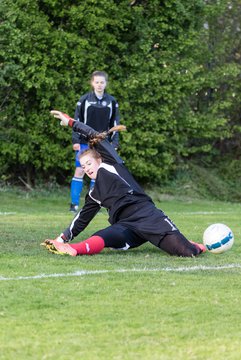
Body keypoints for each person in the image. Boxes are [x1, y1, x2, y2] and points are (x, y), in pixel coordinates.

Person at [41, 110, 206, 258]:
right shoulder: (94, 193)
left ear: (99, 159)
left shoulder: (112, 163)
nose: (86, 169)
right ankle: (73, 249)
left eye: (89, 164)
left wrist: (70, 122)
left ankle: (195, 245)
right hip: (126, 226)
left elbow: (92, 134)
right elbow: (82, 219)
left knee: (187, 252)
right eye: (83, 167)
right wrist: (61, 239)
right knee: (104, 235)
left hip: (147, 215)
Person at [70, 70, 120, 212]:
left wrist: (114, 143)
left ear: (106, 84)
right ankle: (74, 204)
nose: (99, 85)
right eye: (97, 82)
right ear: (92, 83)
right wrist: (76, 140)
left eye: (102, 82)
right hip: (85, 142)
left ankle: (95, 204)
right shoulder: (84, 100)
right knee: (80, 171)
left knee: (98, 173)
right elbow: (76, 121)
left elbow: (115, 123)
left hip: (102, 144)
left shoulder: (111, 101)